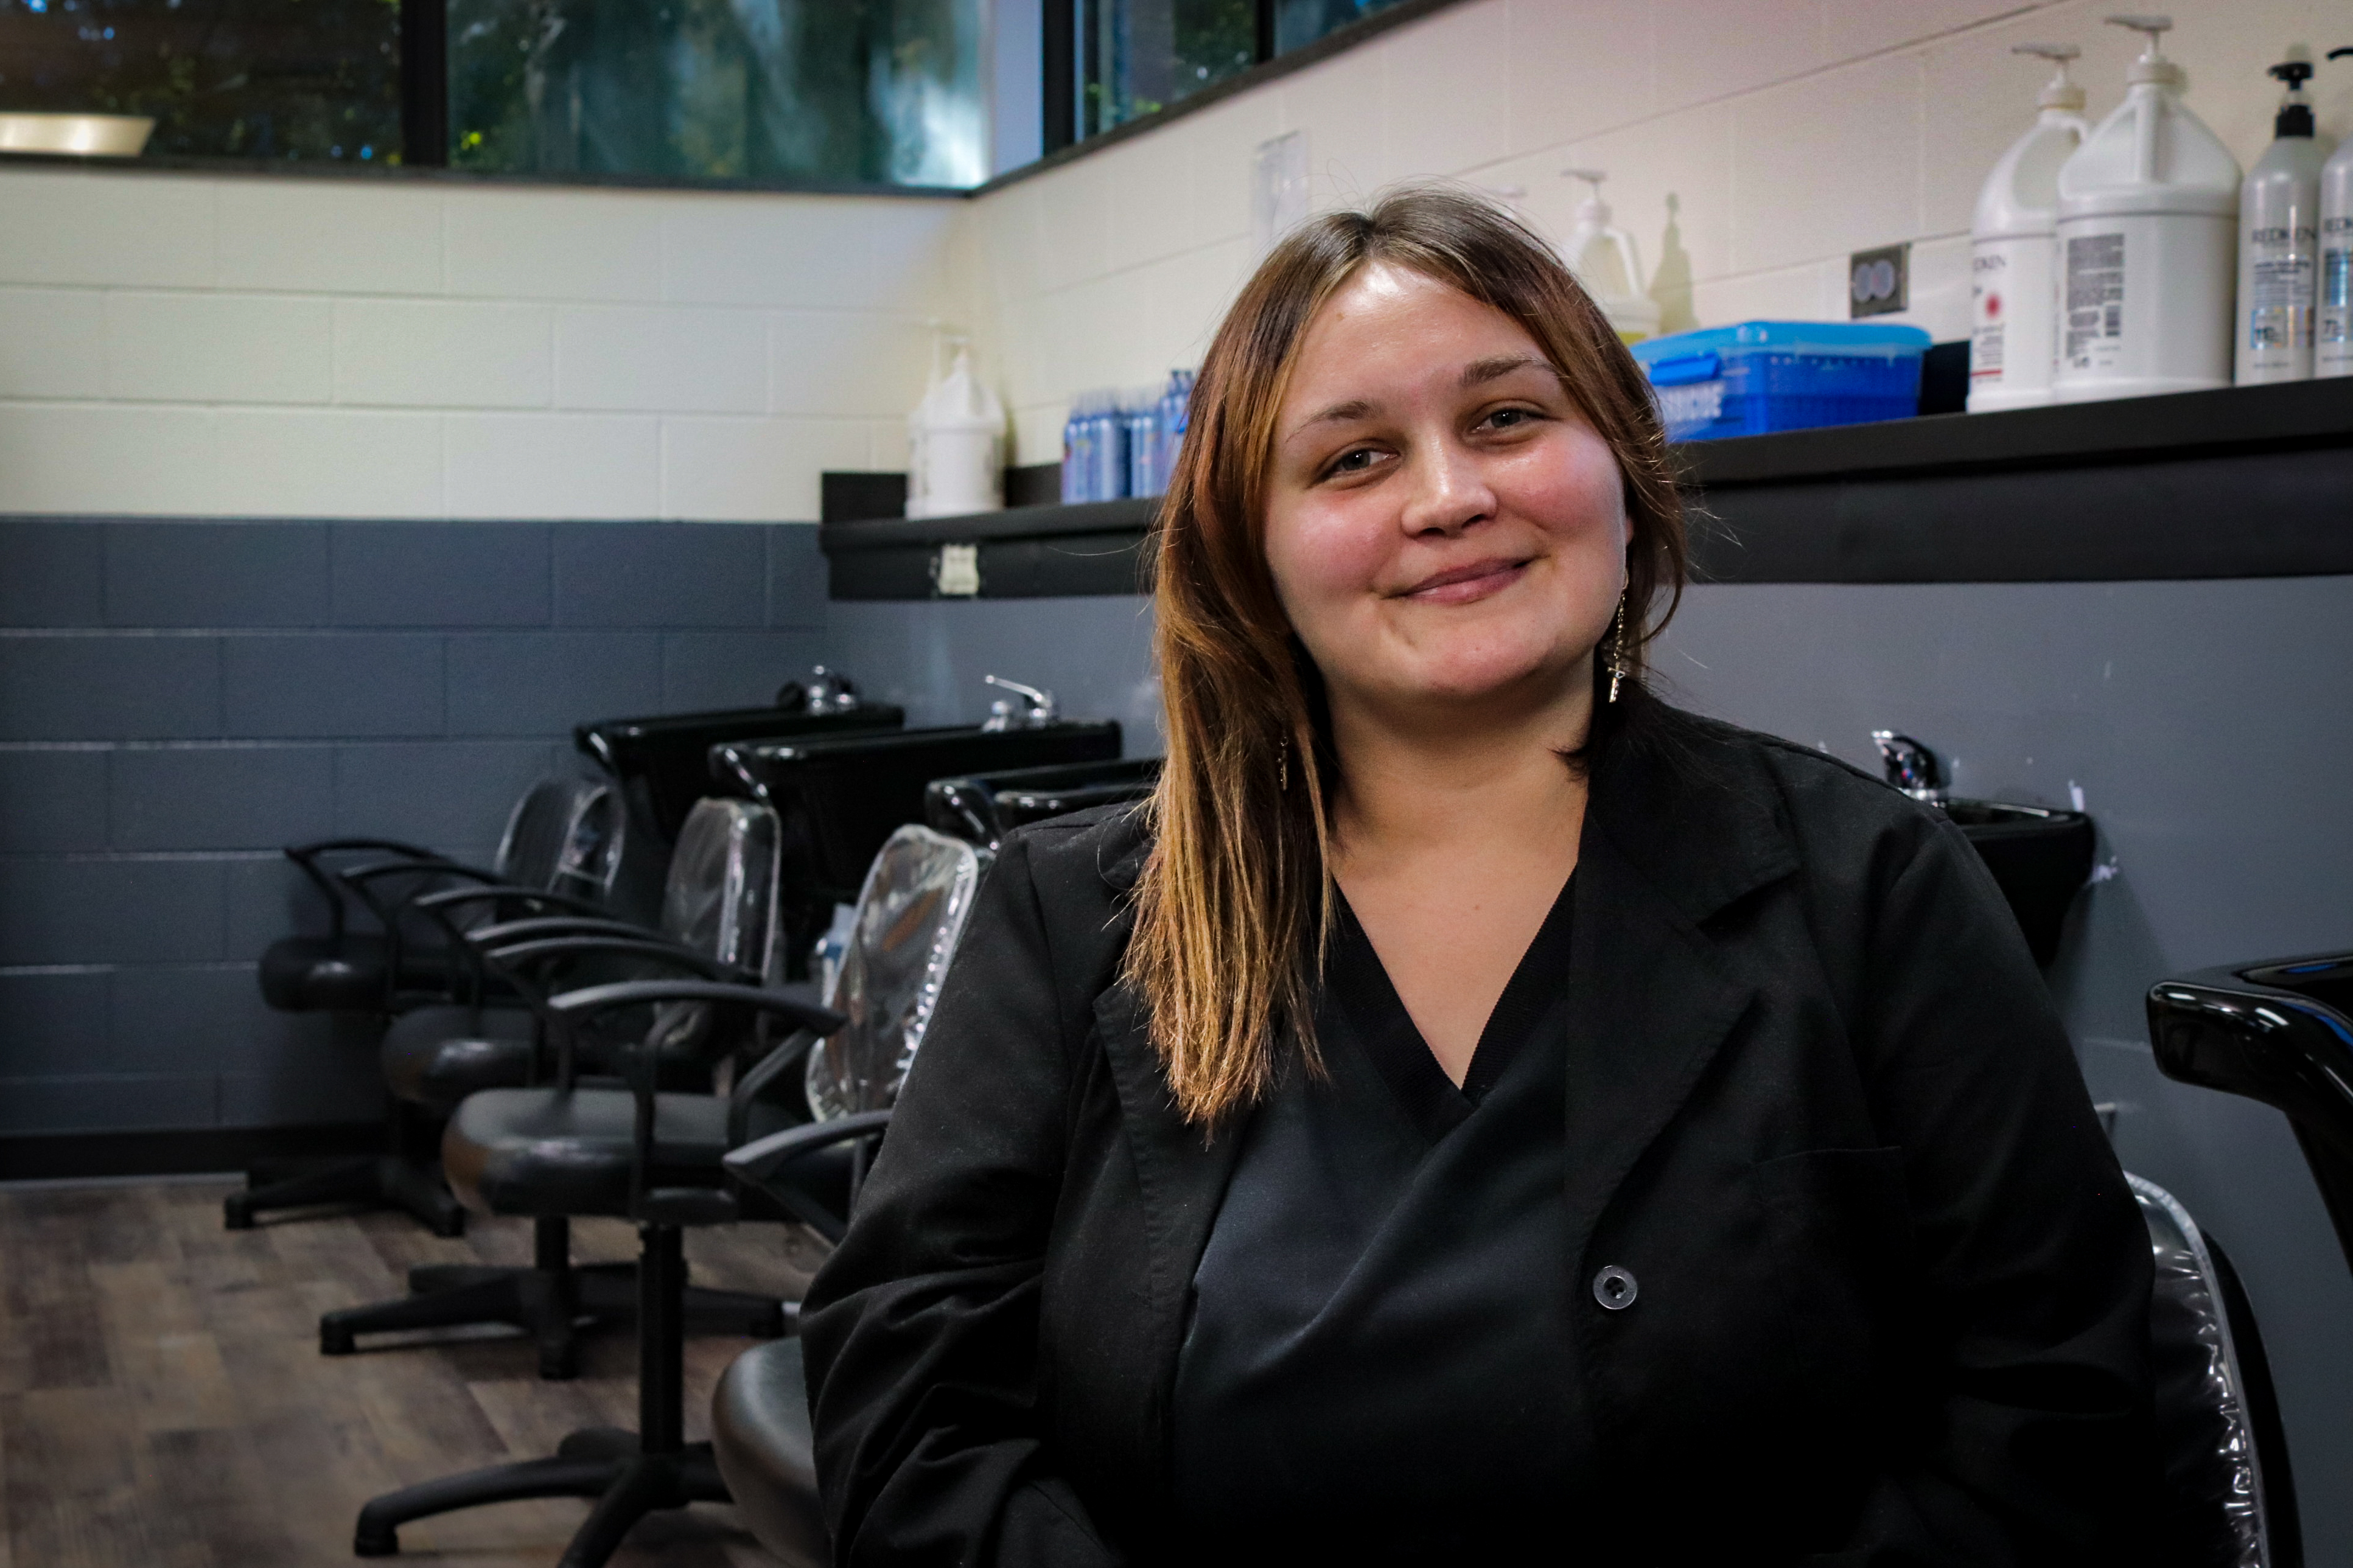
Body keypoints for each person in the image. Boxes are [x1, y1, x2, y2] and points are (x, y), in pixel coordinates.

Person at [799, 185, 2155, 1566]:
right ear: (1249, 553)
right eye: (1352, 459)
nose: (1449, 497)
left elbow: (2055, 1405)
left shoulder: (1870, 890)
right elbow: (911, 1414)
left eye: (1506, 418)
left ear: (1619, 466)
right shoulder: (1075, 919)